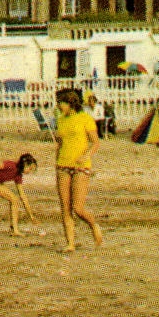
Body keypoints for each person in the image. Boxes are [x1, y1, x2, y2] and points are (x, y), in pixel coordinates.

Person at [53, 88, 103, 252]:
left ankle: (93, 225)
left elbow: (95, 142)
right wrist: (56, 162)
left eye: (61, 103)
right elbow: (59, 144)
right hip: (62, 165)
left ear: (70, 103)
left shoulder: (85, 118)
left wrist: (86, 155)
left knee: (78, 208)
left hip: (81, 166)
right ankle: (70, 243)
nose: (59, 106)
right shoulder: (60, 120)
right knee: (65, 208)